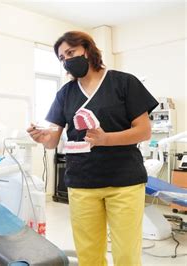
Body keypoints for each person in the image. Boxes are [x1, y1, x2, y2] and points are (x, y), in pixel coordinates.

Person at [27, 31, 158, 266]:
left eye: (70, 52)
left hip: (124, 181)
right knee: (88, 254)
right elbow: (52, 140)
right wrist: (43, 137)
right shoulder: (65, 94)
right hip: (83, 181)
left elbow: (143, 131)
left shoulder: (123, 82)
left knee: (126, 253)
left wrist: (105, 139)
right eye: (61, 58)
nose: (66, 60)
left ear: (86, 49)